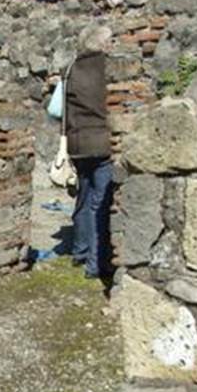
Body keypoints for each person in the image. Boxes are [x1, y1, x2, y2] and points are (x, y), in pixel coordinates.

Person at [64, 25, 113, 280]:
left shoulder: (72, 68)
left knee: (83, 198)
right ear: (104, 44)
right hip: (102, 142)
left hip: (77, 144)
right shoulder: (108, 67)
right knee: (99, 203)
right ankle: (95, 264)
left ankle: (79, 250)